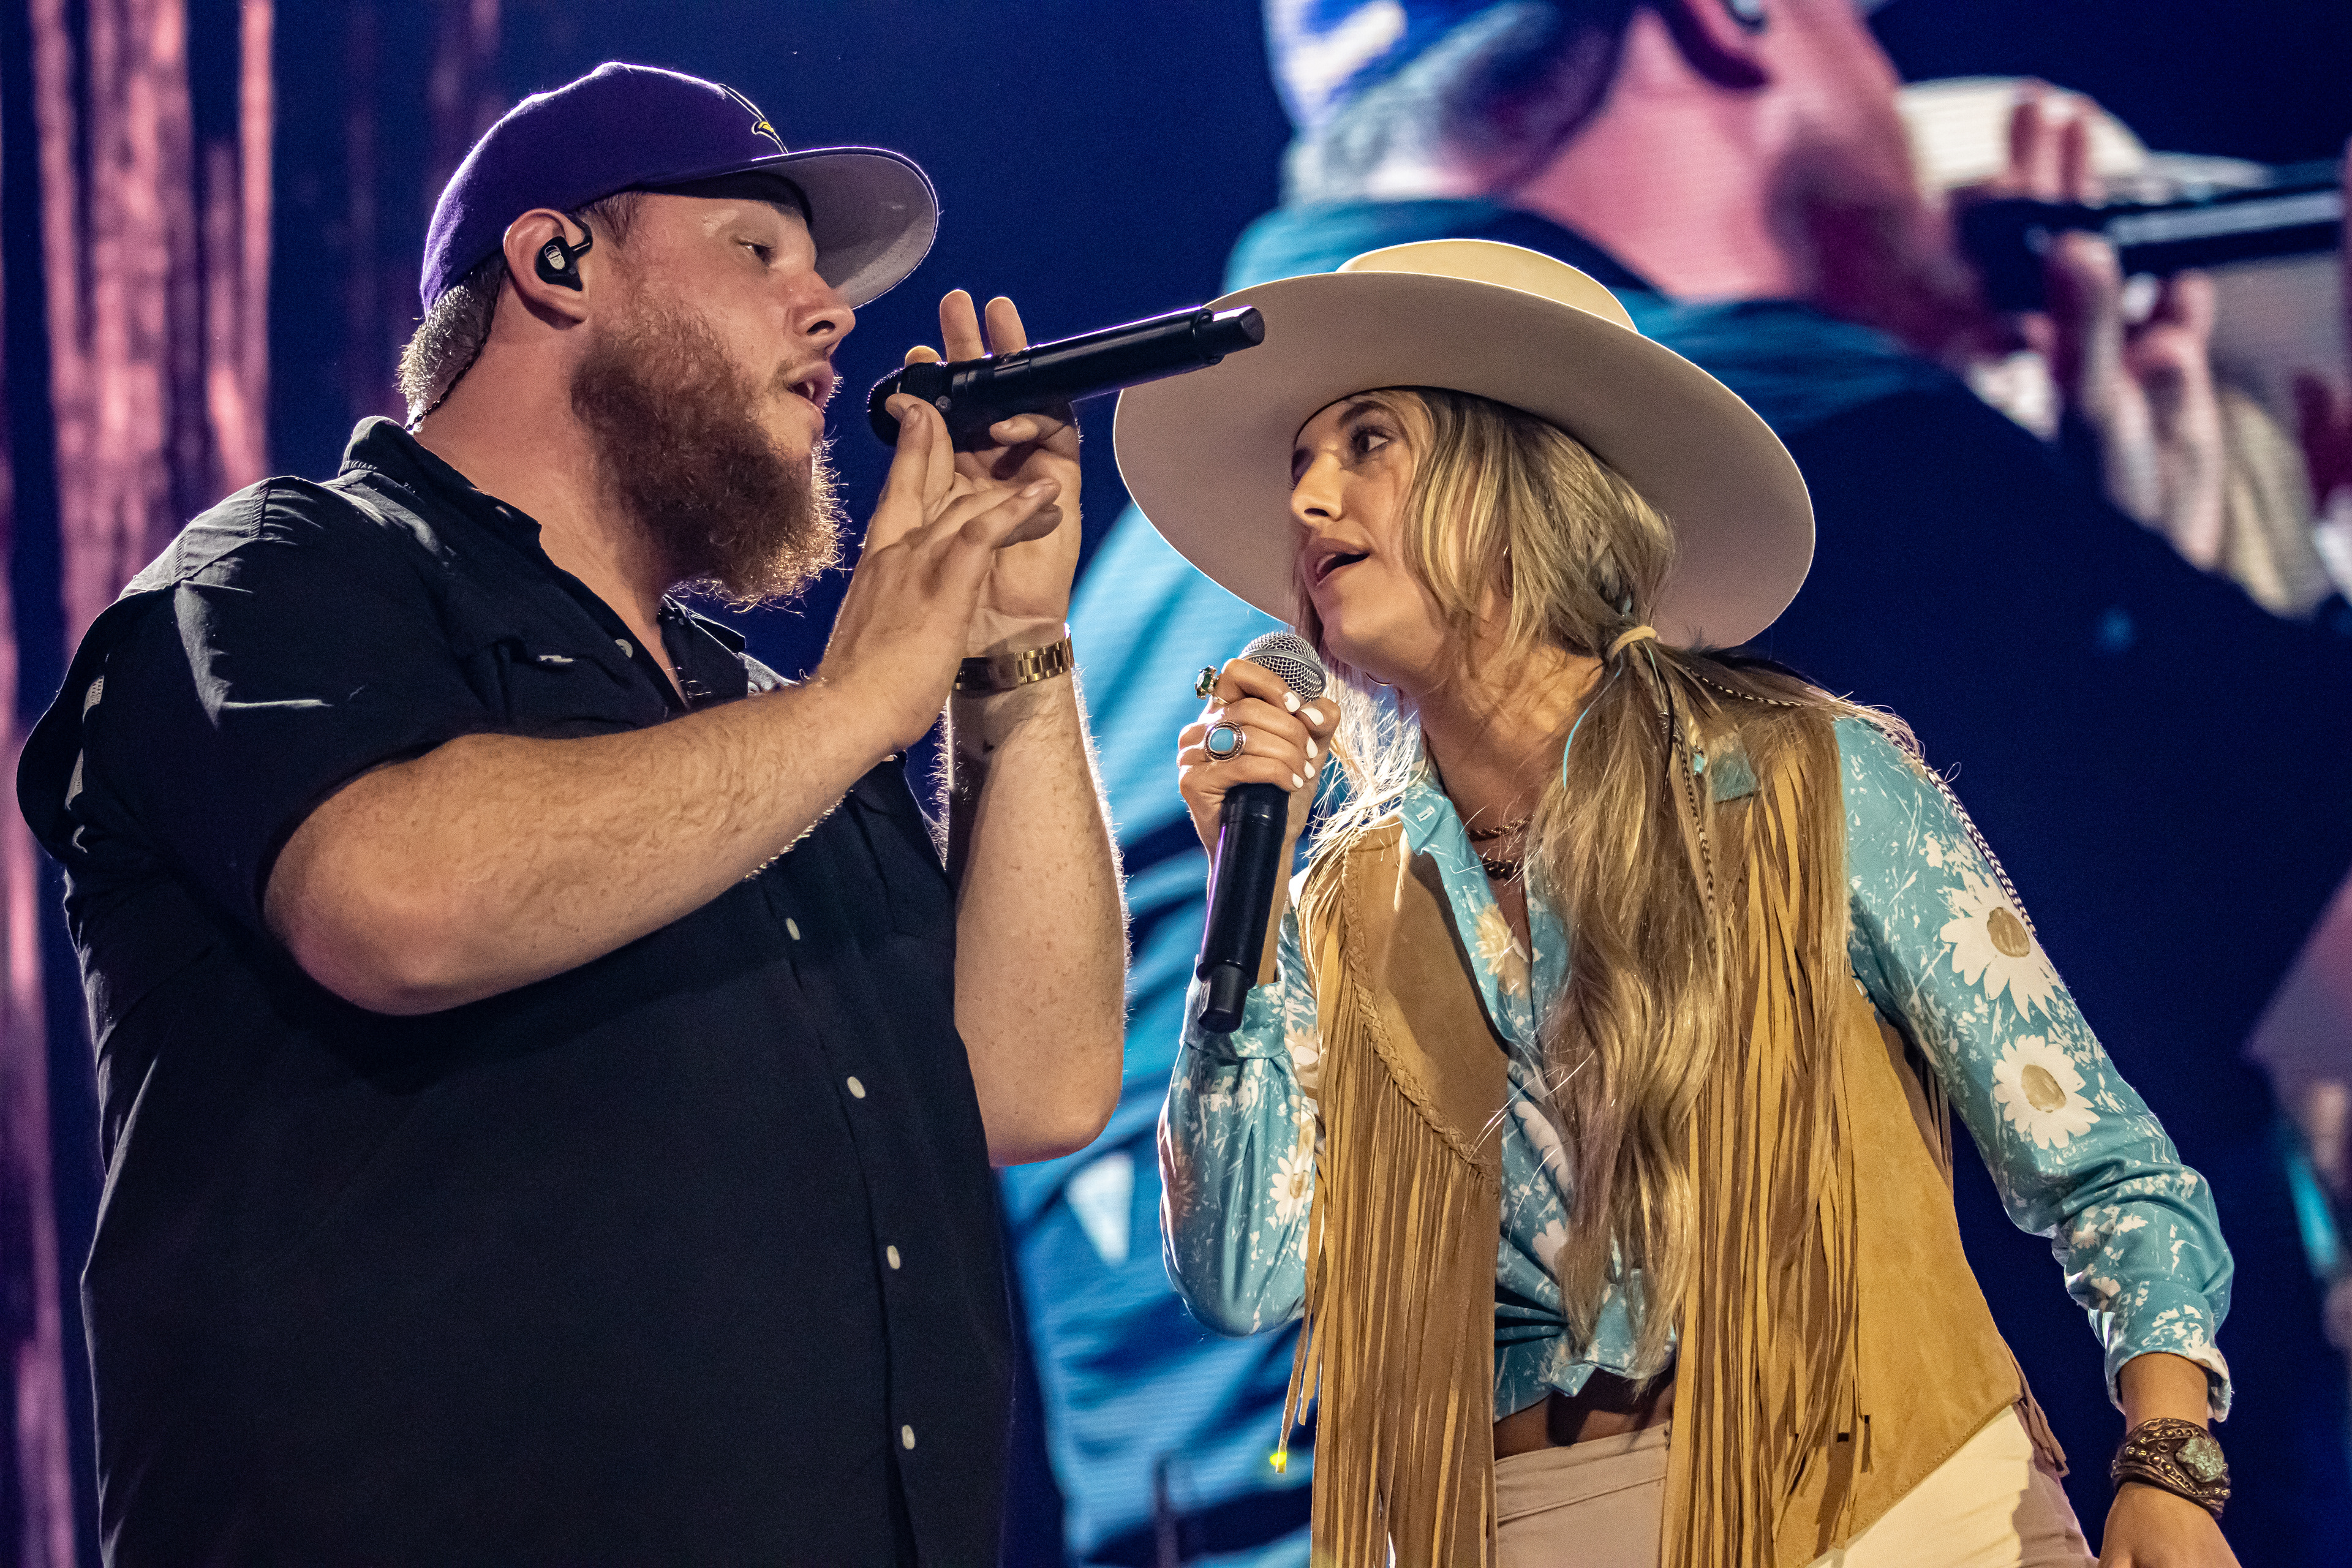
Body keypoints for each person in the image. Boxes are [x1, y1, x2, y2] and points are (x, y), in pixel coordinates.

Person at [1028, 4, 2352, 1558]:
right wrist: (2279, 564)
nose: (1321, 497)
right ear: (1730, 21)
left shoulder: (1109, 616)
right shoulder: (1855, 430)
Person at [14, 62, 1126, 1566]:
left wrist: (1009, 652)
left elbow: (1027, 1080)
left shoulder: (762, 716)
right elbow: (392, 898)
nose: (831, 312)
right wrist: (858, 705)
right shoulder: (287, 568)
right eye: (758, 251)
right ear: (555, 262)